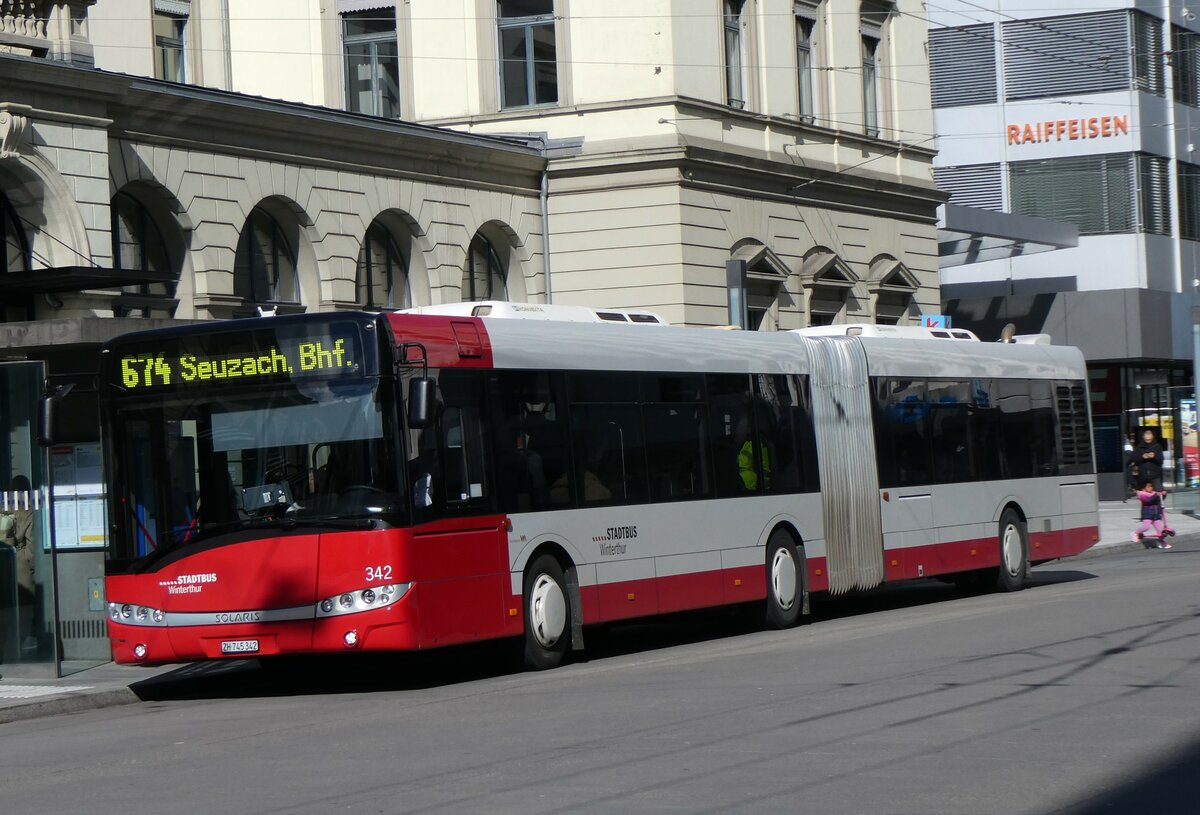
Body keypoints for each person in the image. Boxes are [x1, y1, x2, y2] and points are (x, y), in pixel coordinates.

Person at [0, 475, 37, 649]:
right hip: (19, 564)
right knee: (24, 611)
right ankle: (17, 647)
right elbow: (32, 546)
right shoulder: (28, 510)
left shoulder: (3, 508)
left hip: (3, 561)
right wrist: (32, 567)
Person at [1131, 481, 1171, 550]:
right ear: (1143, 488)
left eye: (1151, 486)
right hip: (1147, 514)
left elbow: (1160, 500)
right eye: (1149, 487)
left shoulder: (1154, 494)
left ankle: (1162, 542)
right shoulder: (1142, 494)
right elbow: (1148, 501)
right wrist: (1156, 495)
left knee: (1161, 530)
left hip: (1156, 514)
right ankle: (1135, 533)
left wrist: (1163, 495)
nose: (1151, 488)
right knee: (1146, 527)